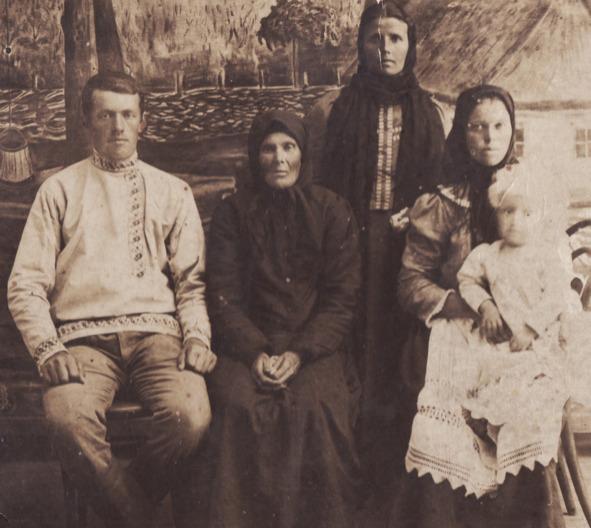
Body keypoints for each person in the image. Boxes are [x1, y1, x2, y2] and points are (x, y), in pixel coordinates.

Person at [7, 72, 215, 528]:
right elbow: (25, 285)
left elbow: (192, 283)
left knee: (191, 416)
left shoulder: (173, 191)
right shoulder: (58, 190)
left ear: (142, 121)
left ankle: (121, 512)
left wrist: (198, 337)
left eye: (127, 115)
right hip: (82, 342)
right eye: (105, 116)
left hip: (158, 338)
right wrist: (48, 349)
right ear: (86, 123)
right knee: (67, 420)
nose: (118, 127)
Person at [390, 84, 568, 528]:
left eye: (499, 126)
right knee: (445, 418)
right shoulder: (442, 202)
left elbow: (556, 268)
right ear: (461, 133)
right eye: (477, 127)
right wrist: (470, 307)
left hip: (523, 335)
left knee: (528, 406)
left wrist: (528, 321)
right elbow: (411, 282)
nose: (490, 137)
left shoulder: (531, 192)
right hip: (458, 331)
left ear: (512, 129)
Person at [305, 0, 445, 489]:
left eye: (395, 38)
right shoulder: (333, 109)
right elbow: (317, 184)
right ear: (361, 46)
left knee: (398, 349)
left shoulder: (429, 112)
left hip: (411, 245)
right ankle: (351, 469)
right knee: (354, 343)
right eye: (375, 38)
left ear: (410, 46)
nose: (385, 48)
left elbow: (440, 187)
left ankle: (399, 475)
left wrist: (419, 211)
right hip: (348, 239)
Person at [198, 110, 362, 528]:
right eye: (268, 149)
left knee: (315, 407)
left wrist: (299, 353)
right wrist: (254, 352)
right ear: (255, 156)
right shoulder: (232, 214)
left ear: (303, 153)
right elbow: (224, 298)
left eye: (288, 147)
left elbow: (341, 301)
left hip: (314, 346)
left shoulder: (332, 210)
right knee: (237, 406)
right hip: (245, 345)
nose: (279, 159)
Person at [406, 163, 581, 500]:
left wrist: (530, 328)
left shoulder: (544, 255)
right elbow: (468, 280)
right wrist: (485, 305)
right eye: (508, 211)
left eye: (526, 213)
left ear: (539, 217)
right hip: (501, 343)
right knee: (484, 373)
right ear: (496, 212)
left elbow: (558, 294)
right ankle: (486, 436)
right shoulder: (487, 255)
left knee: (528, 380)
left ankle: (511, 453)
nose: (516, 220)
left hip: (535, 342)